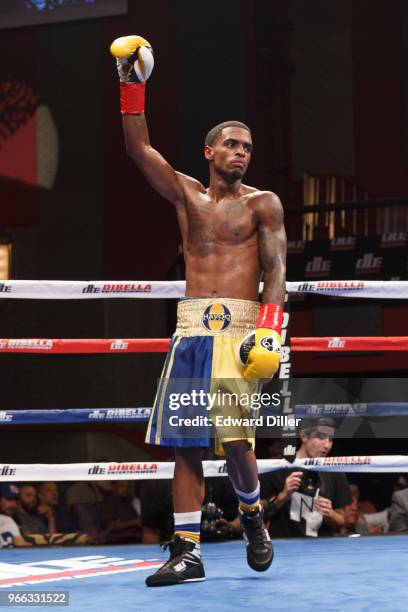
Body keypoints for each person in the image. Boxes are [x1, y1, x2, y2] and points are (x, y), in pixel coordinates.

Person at [110, 35, 287, 586]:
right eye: (231, 145)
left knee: (234, 441)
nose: (241, 152)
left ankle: (253, 516)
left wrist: (271, 331)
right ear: (210, 152)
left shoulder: (264, 204)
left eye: (247, 147)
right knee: (185, 443)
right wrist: (132, 85)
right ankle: (187, 553)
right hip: (191, 328)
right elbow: (139, 150)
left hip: (241, 329)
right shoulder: (187, 196)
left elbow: (277, 270)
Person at [260, 418, 352, 538]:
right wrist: (283, 496)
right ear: (304, 436)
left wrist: (330, 514)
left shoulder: (334, 471)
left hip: (323, 549)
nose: (327, 445)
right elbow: (253, 515)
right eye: (321, 437)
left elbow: (343, 523)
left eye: (331, 439)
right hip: (285, 547)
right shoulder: (276, 467)